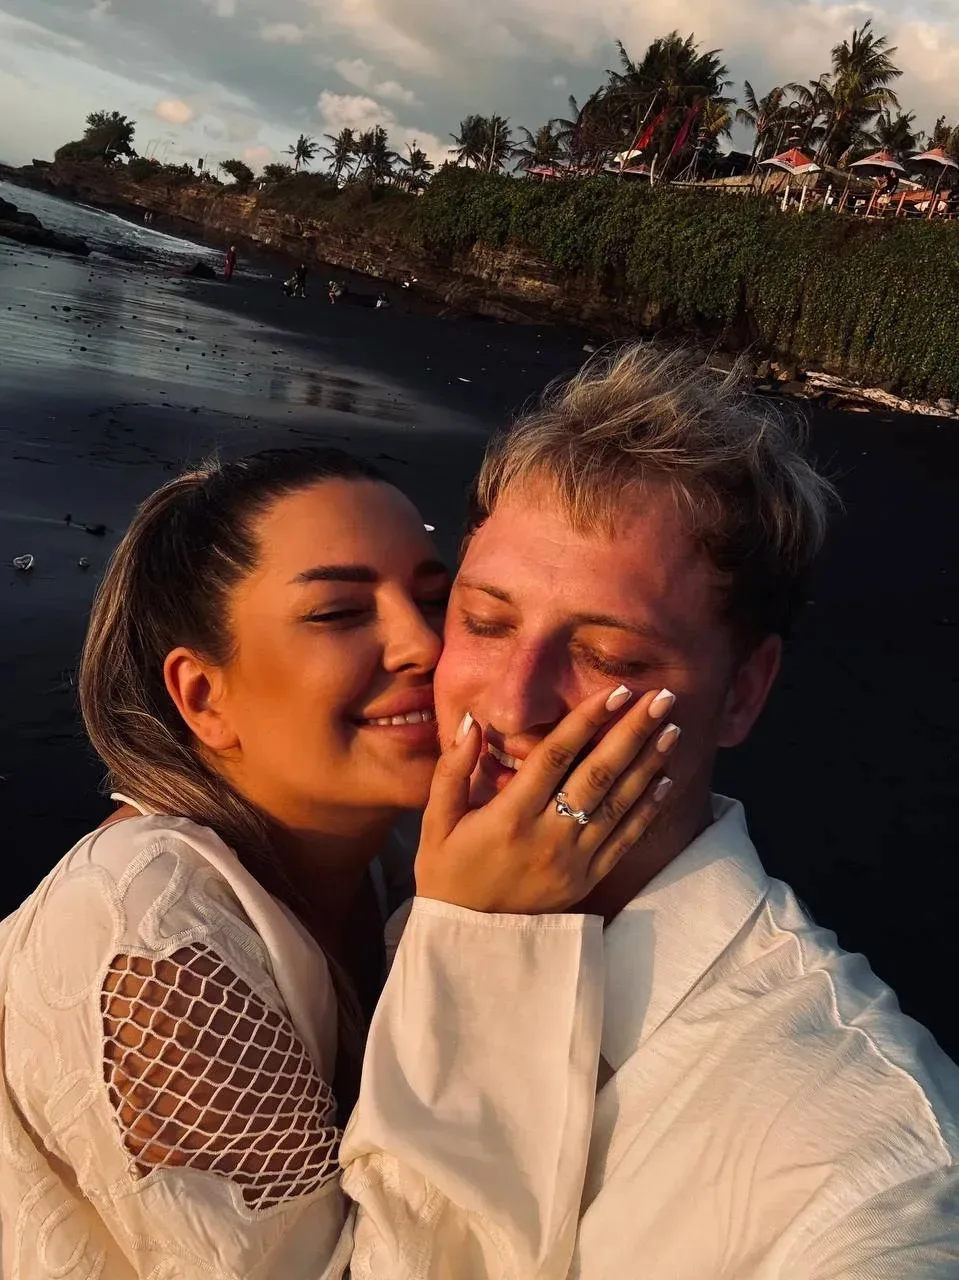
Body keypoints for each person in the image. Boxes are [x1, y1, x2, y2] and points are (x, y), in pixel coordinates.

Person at [0, 446, 675, 1278]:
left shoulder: (387, 861)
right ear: (204, 698)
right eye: (338, 613)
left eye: (438, 602)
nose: (422, 645)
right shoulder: (152, 934)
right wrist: (483, 937)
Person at [408, 343, 959, 1277]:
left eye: (611, 659)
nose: (509, 702)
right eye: (486, 622)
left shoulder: (873, 1157)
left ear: (742, 692)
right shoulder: (395, 900)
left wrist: (465, 945)